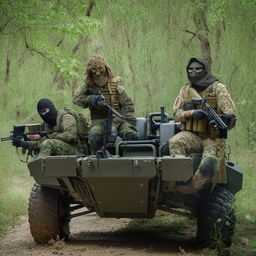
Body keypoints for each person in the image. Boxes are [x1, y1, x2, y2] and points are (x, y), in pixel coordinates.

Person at [169, 57, 236, 194]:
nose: (194, 72)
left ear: (204, 70)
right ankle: (182, 180)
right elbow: (176, 113)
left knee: (209, 164)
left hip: (213, 138)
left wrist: (220, 121)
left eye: (198, 69)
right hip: (193, 135)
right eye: (190, 69)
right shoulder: (186, 90)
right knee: (175, 142)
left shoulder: (218, 88)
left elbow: (230, 115)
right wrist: (192, 113)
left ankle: (192, 187)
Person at [72, 54, 138, 153]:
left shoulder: (115, 83)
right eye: (94, 70)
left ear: (106, 68)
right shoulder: (88, 85)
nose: (98, 73)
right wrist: (90, 99)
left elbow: (128, 104)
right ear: (90, 71)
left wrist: (122, 120)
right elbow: (76, 99)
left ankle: (126, 158)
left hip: (118, 119)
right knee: (94, 137)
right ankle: (97, 160)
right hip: (98, 121)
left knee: (132, 136)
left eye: (100, 69)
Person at [13, 98, 88, 157]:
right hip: (62, 149)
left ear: (51, 108)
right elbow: (41, 143)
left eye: (45, 111)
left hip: (77, 150)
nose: (44, 114)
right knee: (43, 146)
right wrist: (24, 143)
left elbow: (71, 136)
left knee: (48, 143)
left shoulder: (66, 117)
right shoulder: (46, 125)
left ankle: (43, 171)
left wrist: (49, 136)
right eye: (41, 113)